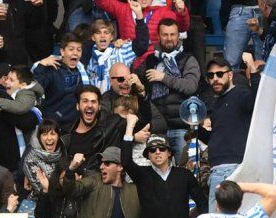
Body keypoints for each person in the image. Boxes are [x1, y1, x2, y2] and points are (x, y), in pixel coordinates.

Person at [198, 55, 260, 207]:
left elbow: (259, 101)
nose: (215, 79)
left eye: (220, 74)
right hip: (218, 167)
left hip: (232, 167)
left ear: (230, 75)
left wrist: (252, 69)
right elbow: (215, 138)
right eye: (211, 75)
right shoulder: (217, 102)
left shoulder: (240, 94)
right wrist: (196, 127)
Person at [136, 18, 200, 165]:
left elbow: (190, 86)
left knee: (184, 171)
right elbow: (138, 83)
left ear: (179, 36)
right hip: (156, 128)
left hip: (181, 127)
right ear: (158, 36)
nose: (169, 38)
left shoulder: (188, 59)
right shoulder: (151, 60)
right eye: (165, 35)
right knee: (158, 175)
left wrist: (164, 77)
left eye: (172, 34)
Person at [94, 0, 190, 68]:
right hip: (127, 62)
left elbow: (181, 28)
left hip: (152, 62)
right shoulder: (124, 9)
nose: (144, 0)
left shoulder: (162, 11)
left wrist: (181, 13)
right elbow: (102, 2)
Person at [33, 33, 90, 131]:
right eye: (71, 49)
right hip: (53, 127)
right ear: (62, 51)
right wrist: (41, 66)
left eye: (79, 50)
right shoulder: (52, 69)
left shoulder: (82, 71)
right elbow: (36, 89)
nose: (75, 53)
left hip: (75, 125)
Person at [85, 16, 149, 92]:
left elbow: (142, 45)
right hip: (101, 101)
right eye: (98, 33)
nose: (102, 36)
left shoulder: (121, 50)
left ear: (111, 37)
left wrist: (139, 17)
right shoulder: (90, 61)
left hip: (120, 99)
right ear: (93, 37)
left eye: (106, 32)